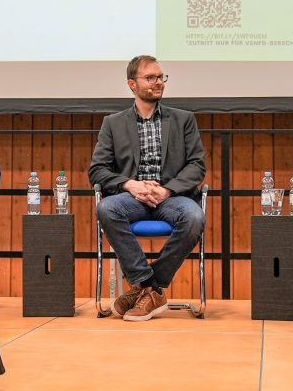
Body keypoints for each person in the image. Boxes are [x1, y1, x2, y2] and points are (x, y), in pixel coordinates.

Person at [89, 55, 207, 321]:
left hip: (172, 198)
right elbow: (97, 170)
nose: (158, 83)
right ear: (132, 84)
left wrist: (166, 190)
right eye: (150, 77)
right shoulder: (113, 123)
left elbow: (197, 166)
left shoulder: (183, 119)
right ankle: (149, 287)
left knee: (194, 217)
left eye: (160, 77)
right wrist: (131, 185)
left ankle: (146, 288)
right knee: (107, 208)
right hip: (132, 198)